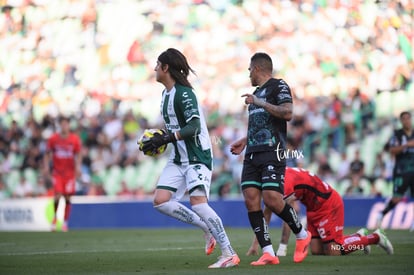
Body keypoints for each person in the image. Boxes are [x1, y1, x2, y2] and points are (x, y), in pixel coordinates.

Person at [139, 48, 239, 268]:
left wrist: (165, 138)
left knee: (199, 204)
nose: (154, 68)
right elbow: (175, 127)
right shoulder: (165, 95)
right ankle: (206, 228)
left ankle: (229, 253)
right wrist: (158, 138)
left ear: (166, 68)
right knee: (160, 201)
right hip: (177, 158)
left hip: (196, 155)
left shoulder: (184, 93)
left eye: (158, 64)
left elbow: (193, 127)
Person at [230, 52, 311, 266]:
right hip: (252, 153)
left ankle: (302, 235)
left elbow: (287, 113)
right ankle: (268, 252)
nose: (248, 74)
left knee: (273, 199)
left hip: (272, 152)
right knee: (250, 199)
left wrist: (259, 101)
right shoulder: (256, 93)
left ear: (257, 68)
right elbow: (260, 125)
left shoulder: (278, 86)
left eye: (249, 70)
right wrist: (244, 140)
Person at [247, 167, 394, 256]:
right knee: (317, 251)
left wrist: (282, 248)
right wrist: (255, 244)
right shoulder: (277, 176)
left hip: (328, 204)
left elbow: (288, 215)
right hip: (313, 208)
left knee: (333, 250)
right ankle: (358, 238)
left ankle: (374, 238)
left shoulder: (283, 184)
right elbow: (267, 211)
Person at [43, 115, 82, 232]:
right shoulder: (53, 139)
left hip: (70, 173)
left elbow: (78, 154)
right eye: (62, 124)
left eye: (66, 124)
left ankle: (65, 222)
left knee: (68, 197)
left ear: (69, 125)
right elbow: (47, 154)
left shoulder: (74, 139)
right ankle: (54, 219)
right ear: (60, 125)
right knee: (57, 195)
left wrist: (78, 167)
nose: (64, 126)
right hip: (57, 172)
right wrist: (46, 167)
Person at [377, 111, 414, 229]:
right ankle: (382, 214)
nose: (407, 121)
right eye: (404, 119)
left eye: (408, 118)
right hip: (401, 170)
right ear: (401, 121)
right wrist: (407, 145)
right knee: (397, 198)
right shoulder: (397, 134)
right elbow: (392, 150)